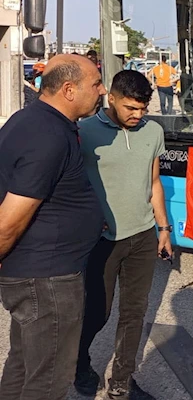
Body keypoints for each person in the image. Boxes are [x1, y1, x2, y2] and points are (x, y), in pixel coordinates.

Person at [0, 55, 106, 400]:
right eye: (96, 84)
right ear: (69, 89)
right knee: (48, 381)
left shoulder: (30, 120)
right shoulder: (47, 134)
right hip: (47, 280)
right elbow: (10, 219)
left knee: (25, 363)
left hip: (35, 272)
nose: (102, 90)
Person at [74, 70, 174, 399]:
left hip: (143, 236)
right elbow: (69, 186)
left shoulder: (153, 131)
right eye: (131, 108)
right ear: (111, 98)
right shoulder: (84, 132)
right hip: (102, 242)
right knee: (96, 313)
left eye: (143, 109)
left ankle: (121, 381)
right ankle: (78, 364)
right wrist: (88, 218)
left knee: (135, 312)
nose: (138, 115)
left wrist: (163, 229)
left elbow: (154, 183)